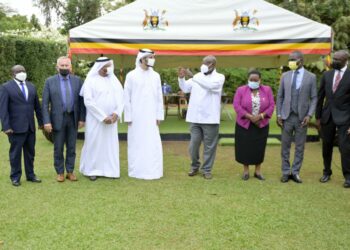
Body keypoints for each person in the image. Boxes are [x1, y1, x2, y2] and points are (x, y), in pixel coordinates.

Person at [178, 55, 225, 179]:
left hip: (210, 118)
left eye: (207, 63)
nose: (204, 65)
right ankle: (194, 166)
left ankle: (207, 169)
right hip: (195, 117)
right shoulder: (198, 76)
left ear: (213, 64)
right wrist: (181, 78)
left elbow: (209, 86)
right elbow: (185, 88)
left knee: (209, 147)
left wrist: (193, 76)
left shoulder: (219, 77)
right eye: (203, 62)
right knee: (193, 145)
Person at [79, 57, 124, 181]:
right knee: (94, 143)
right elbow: (88, 101)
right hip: (95, 120)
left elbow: (121, 99)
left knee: (110, 145)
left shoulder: (114, 81)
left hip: (112, 120)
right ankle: (92, 170)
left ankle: (111, 170)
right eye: (105, 66)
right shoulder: (91, 81)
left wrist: (116, 113)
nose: (107, 69)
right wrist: (103, 117)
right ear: (98, 67)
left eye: (109, 66)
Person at [42, 56, 86, 182]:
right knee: (58, 147)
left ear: (71, 67)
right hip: (57, 119)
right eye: (62, 66)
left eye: (67, 65)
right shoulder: (49, 81)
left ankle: (70, 171)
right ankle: (60, 172)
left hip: (73, 118)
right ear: (57, 67)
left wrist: (82, 119)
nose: (65, 68)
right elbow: (45, 104)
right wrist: (46, 121)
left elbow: (82, 102)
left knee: (72, 147)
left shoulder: (78, 81)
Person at [276, 51, 317, 183]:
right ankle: (285, 172)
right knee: (285, 146)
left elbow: (314, 98)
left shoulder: (311, 77)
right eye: (289, 60)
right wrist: (279, 114)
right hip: (287, 117)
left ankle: (296, 172)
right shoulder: (285, 75)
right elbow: (280, 96)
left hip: (302, 118)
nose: (290, 62)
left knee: (300, 146)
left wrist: (309, 115)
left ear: (301, 61)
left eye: (293, 59)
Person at [124, 49, 164, 180]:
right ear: (142, 59)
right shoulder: (131, 75)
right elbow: (126, 97)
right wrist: (128, 116)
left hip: (152, 116)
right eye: (150, 57)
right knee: (136, 142)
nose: (153, 59)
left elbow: (159, 97)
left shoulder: (156, 76)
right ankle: (137, 170)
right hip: (136, 117)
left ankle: (153, 170)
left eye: (153, 57)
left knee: (152, 142)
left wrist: (159, 115)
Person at [0, 65, 43, 186]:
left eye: (23, 70)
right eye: (18, 71)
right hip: (14, 128)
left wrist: (40, 123)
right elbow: (3, 109)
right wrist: (6, 126)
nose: (22, 73)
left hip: (30, 127)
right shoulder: (6, 87)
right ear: (12, 74)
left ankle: (31, 175)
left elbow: (37, 107)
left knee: (30, 153)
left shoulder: (31, 86)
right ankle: (15, 176)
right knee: (15, 153)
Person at [316, 50, 350, 188]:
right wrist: (318, 117)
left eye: (337, 59)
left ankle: (348, 176)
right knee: (326, 145)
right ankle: (326, 172)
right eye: (333, 58)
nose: (334, 61)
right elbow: (320, 97)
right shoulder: (327, 75)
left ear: (345, 60)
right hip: (327, 116)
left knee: (345, 147)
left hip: (346, 118)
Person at [233, 69, 275, 181]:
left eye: (255, 80)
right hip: (244, 124)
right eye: (251, 79)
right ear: (248, 80)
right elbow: (236, 105)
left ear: (260, 80)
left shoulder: (267, 90)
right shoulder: (241, 90)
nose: (253, 81)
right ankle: (246, 171)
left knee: (259, 148)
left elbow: (271, 105)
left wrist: (260, 116)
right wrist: (250, 117)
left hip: (261, 124)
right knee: (245, 147)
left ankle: (258, 171)